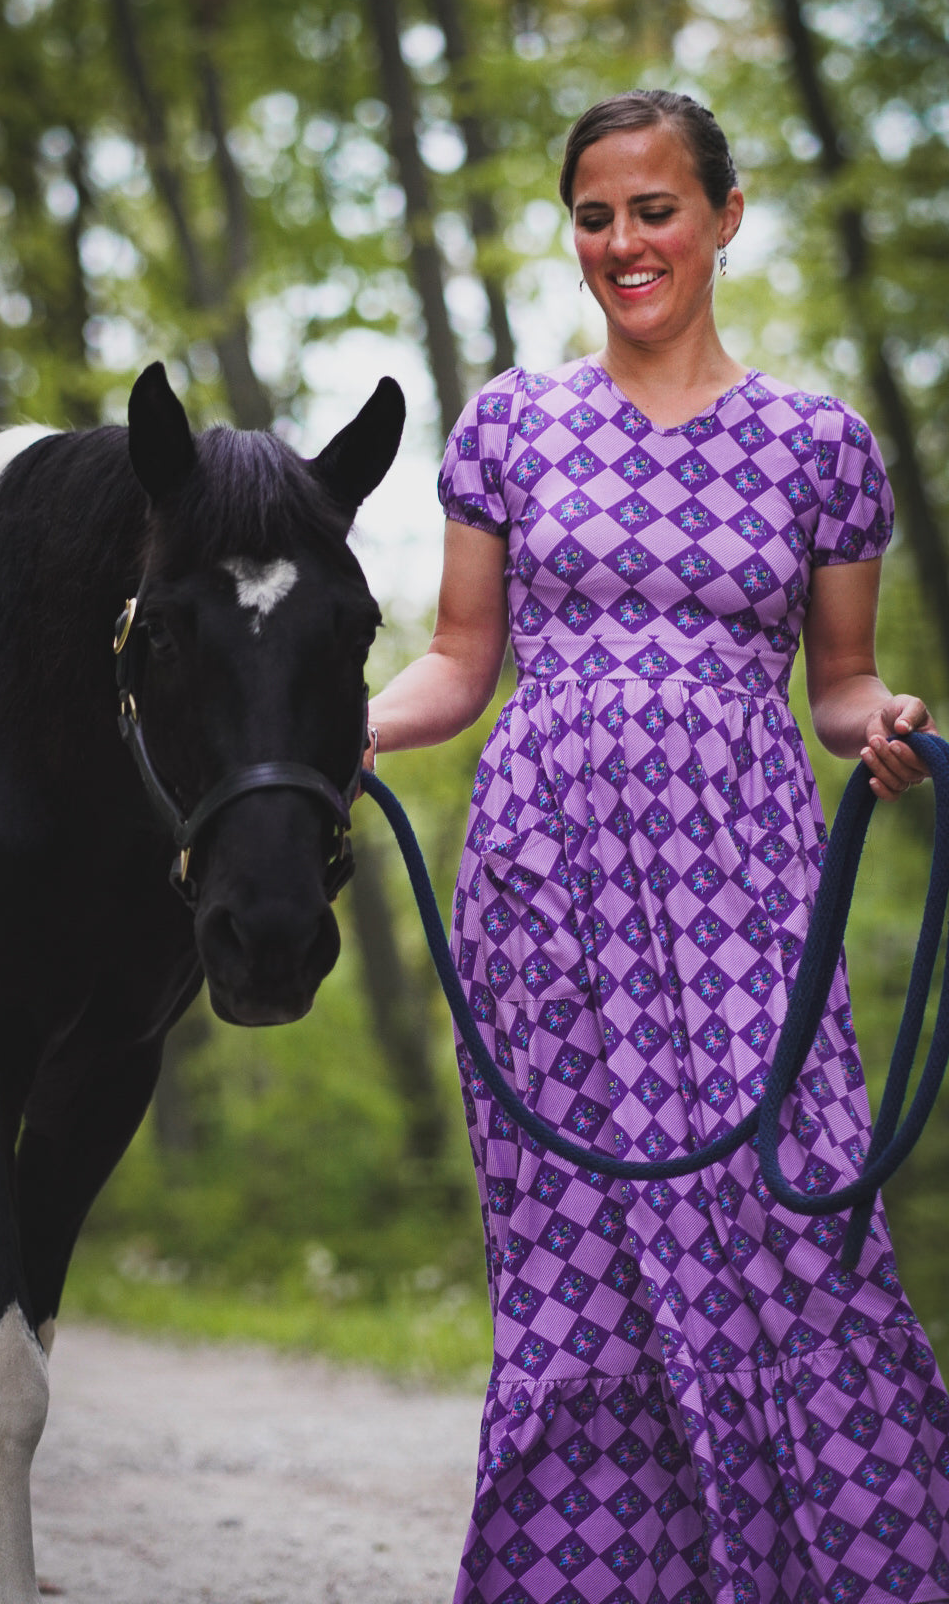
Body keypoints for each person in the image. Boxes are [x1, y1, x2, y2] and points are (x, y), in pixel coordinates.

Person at [364, 89, 949, 1604]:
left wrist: (884, 718)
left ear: (724, 218)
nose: (624, 241)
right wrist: (329, 730)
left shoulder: (818, 446)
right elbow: (457, 660)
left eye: (656, 208)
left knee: (805, 1228)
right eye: (597, 213)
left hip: (748, 891)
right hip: (542, 892)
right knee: (577, 1281)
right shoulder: (512, 423)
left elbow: (834, 683)